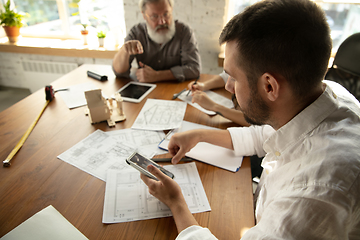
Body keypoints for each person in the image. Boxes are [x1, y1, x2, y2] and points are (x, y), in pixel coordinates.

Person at [140, 0, 360, 239]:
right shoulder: (325, 93)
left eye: (233, 77)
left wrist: (177, 203)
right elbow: (264, 134)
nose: (227, 86)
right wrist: (199, 135)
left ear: (269, 86)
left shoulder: (313, 192)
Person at [112, 0, 201, 83]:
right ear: (144, 15)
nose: (162, 22)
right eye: (154, 16)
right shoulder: (137, 32)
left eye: (166, 14)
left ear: (172, 10)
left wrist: (157, 76)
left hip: (176, 90)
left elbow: (194, 69)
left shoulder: (184, 31)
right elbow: (119, 73)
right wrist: (124, 51)